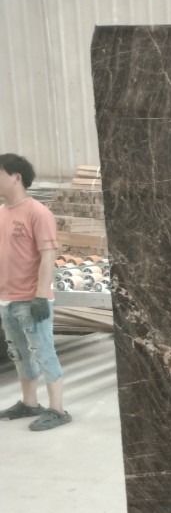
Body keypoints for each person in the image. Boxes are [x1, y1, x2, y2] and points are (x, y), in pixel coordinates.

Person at [0, 153, 71, 430]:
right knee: (18, 353)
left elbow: (48, 255)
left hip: (32, 300)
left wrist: (41, 296)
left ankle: (58, 410)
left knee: (43, 352)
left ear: (16, 177)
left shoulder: (38, 213)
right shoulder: (2, 213)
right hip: (7, 300)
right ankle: (29, 403)